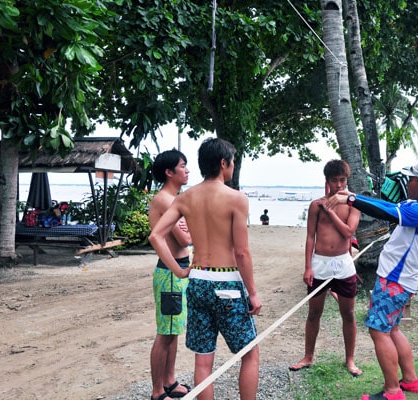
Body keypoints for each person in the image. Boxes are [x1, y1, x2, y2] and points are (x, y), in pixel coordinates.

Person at [149, 138, 263, 400]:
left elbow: (156, 236)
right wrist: (253, 293)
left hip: (198, 281)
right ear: (223, 163)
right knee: (249, 353)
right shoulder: (237, 198)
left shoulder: (185, 198)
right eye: (232, 162)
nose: (233, 167)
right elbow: (242, 252)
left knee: (203, 360)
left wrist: (179, 271)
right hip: (228, 283)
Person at [325, 162, 418, 400]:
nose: (406, 183)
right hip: (399, 281)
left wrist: (350, 200)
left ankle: (392, 392)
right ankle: (410, 380)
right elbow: (389, 205)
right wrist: (353, 197)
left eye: (410, 180)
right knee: (392, 329)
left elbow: (387, 212)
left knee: (379, 331)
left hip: (394, 282)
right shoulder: (417, 206)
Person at [289, 159, 363, 377]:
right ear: (327, 181)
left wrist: (331, 211)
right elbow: (310, 238)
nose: (339, 186)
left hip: (343, 264)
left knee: (348, 313)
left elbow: (349, 232)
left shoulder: (353, 203)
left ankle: (350, 360)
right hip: (320, 262)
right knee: (314, 312)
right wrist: (307, 267)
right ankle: (308, 356)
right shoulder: (316, 205)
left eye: (343, 180)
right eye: (335, 181)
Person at [148, 149, 192, 400]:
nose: (187, 170)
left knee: (173, 330)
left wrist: (190, 226)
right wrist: (192, 227)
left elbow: (187, 234)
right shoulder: (166, 200)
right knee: (165, 333)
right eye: (182, 166)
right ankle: (157, 391)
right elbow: (186, 237)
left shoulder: (174, 199)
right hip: (171, 273)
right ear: (169, 172)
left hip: (177, 271)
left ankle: (170, 381)